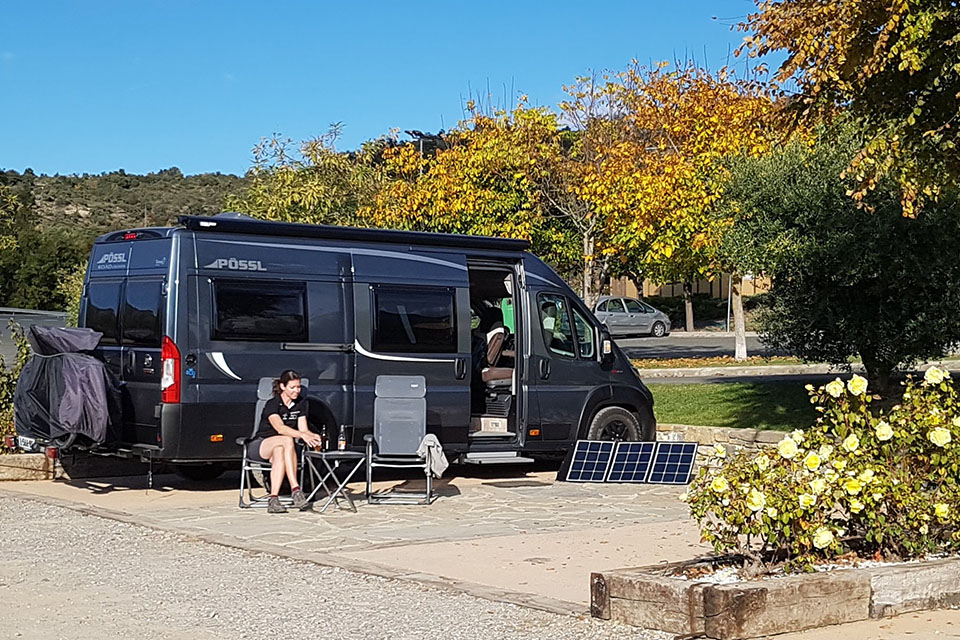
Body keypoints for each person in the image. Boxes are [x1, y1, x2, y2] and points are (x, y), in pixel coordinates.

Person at [247, 369, 322, 513]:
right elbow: (280, 428)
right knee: (287, 440)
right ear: (283, 387)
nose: (297, 391)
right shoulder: (273, 404)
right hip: (261, 444)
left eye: (299, 387)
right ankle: (296, 490)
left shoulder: (300, 404)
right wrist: (301, 435)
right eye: (292, 387)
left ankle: (273, 499)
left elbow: (303, 428)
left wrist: (312, 436)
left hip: (280, 447)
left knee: (280, 451)